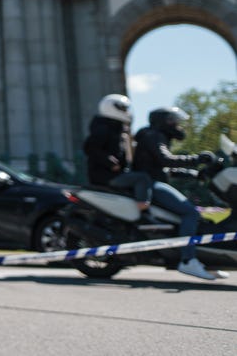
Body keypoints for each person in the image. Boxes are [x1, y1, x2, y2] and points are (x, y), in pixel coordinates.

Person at [132, 106, 225, 281]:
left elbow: (163, 168)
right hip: (151, 185)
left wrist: (194, 174)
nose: (177, 125)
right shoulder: (154, 136)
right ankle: (188, 260)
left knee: (197, 214)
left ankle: (202, 258)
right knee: (190, 213)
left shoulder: (154, 136)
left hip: (154, 181)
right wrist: (197, 159)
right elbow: (165, 160)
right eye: (172, 120)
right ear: (161, 121)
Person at [82, 94, 153, 211]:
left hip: (112, 175)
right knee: (142, 178)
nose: (126, 112)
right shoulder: (103, 128)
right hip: (105, 176)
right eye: (123, 109)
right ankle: (142, 210)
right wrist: (110, 162)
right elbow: (89, 148)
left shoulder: (115, 128)